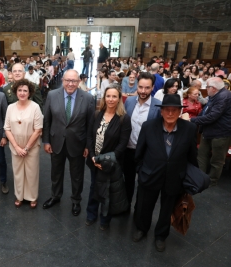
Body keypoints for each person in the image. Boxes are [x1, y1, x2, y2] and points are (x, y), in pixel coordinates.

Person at [133, 94, 198, 252]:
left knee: (167, 209)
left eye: (174, 110)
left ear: (179, 112)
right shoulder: (149, 126)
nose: (170, 113)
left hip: (175, 178)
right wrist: (141, 171)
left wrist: (189, 179)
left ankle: (161, 235)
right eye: (167, 110)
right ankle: (142, 228)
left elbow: (191, 156)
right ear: (161, 111)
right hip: (150, 175)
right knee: (145, 206)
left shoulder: (189, 129)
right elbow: (139, 153)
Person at [42, 69, 95, 216]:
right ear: (62, 80)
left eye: (74, 81)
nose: (70, 84)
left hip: (78, 143)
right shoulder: (52, 95)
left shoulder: (88, 98)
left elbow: (90, 125)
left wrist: (87, 146)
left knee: (77, 175)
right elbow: (47, 120)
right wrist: (46, 141)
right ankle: (55, 196)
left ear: (79, 82)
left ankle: (76, 200)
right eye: (67, 80)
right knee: (56, 172)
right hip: (56, 141)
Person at [85, 84, 132, 229]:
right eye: (108, 96)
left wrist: (105, 160)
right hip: (95, 160)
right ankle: (91, 214)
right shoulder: (96, 114)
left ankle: (105, 220)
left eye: (114, 96)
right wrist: (93, 157)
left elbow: (122, 144)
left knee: (108, 191)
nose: (111, 99)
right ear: (104, 98)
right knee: (94, 188)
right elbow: (89, 137)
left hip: (111, 162)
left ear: (119, 99)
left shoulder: (124, 119)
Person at [123, 72, 162, 207]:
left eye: (147, 88)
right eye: (140, 87)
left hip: (146, 153)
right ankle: (126, 205)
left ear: (152, 88)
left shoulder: (158, 106)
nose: (143, 91)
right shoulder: (129, 101)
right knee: (127, 180)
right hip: (128, 149)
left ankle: (139, 210)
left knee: (144, 183)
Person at [4, 79, 43, 208]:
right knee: (18, 172)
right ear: (16, 92)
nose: (22, 93)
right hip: (16, 146)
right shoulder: (10, 107)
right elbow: (7, 128)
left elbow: (38, 130)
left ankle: (32, 197)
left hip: (31, 146)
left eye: (25, 90)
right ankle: (19, 196)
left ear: (29, 92)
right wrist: (16, 147)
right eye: (19, 90)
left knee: (31, 172)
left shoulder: (35, 107)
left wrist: (26, 148)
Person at [191, 77, 231, 187]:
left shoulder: (223, 97)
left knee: (217, 160)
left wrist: (193, 120)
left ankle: (212, 181)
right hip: (209, 131)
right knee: (202, 155)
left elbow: (212, 116)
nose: (206, 89)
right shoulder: (216, 95)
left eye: (207, 87)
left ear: (213, 88)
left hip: (220, 134)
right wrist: (197, 118)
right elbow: (206, 110)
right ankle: (201, 178)